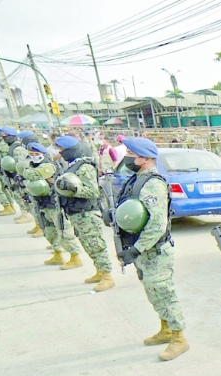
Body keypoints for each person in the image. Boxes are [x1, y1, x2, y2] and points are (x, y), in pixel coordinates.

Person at [116, 136, 189, 361]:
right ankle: (166, 329)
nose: (126, 157)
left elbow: (158, 224)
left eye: (130, 153)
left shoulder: (153, 183)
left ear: (145, 158)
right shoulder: (136, 179)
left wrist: (136, 249)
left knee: (163, 291)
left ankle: (179, 338)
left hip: (154, 250)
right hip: (143, 250)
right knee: (153, 291)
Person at [53, 135, 115, 291]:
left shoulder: (84, 167)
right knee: (87, 244)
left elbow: (93, 191)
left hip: (87, 213)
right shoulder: (73, 165)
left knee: (96, 244)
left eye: (62, 150)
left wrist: (73, 189)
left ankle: (107, 276)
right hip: (76, 214)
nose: (60, 153)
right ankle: (99, 271)